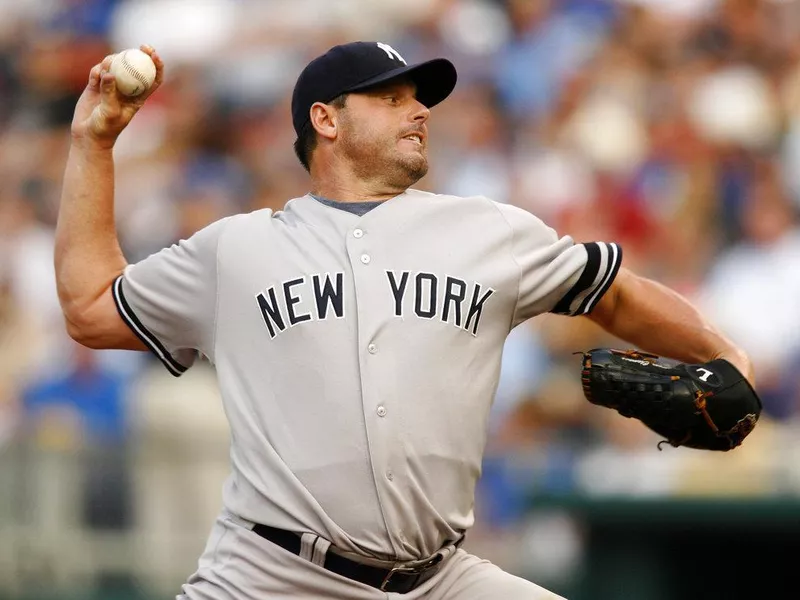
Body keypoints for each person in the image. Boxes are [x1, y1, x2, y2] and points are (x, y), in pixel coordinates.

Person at [55, 41, 754, 600]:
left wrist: (728, 356)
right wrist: (94, 144)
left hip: (439, 580)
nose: (417, 111)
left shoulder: (489, 231)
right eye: (390, 98)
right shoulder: (236, 250)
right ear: (325, 121)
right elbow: (91, 308)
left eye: (419, 99)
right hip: (270, 577)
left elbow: (618, 296)